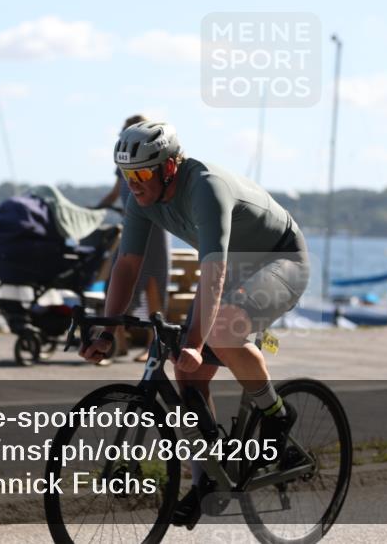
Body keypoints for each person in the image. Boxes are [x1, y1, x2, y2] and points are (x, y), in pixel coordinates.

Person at [79, 120, 310, 528]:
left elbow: (214, 271)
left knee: (217, 334)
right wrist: (108, 328)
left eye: (143, 173)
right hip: (229, 269)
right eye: (127, 175)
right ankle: (209, 482)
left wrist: (196, 341)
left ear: (170, 167)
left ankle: (275, 412)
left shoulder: (204, 186)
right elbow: (127, 263)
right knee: (188, 378)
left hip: (279, 260)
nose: (134, 184)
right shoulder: (140, 199)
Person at [96, 114, 172, 362]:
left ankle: (155, 345)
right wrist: (96, 209)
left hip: (155, 222)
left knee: (153, 282)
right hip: (132, 221)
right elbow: (117, 191)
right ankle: (118, 341)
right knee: (119, 279)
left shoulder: (149, 157)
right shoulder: (124, 162)